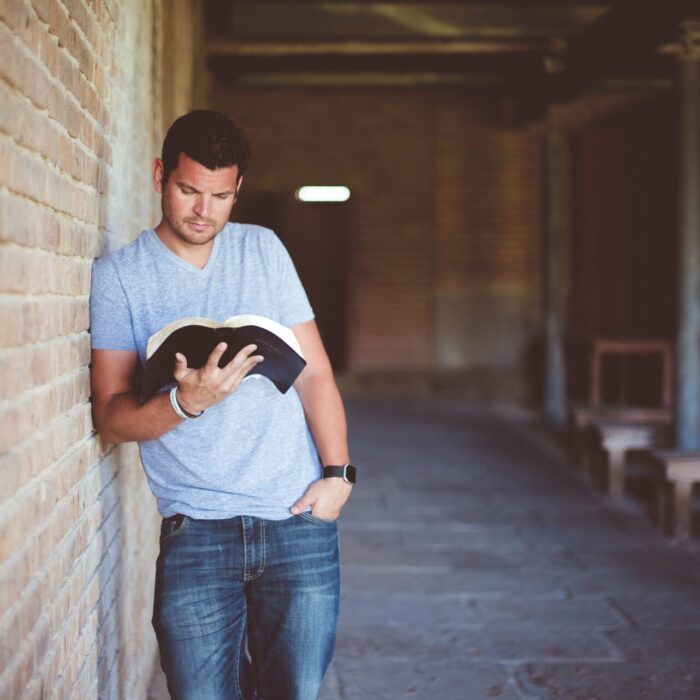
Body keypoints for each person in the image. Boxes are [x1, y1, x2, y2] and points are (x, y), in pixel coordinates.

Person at [89, 110, 355, 700]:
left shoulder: (263, 250)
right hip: (196, 531)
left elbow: (315, 375)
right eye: (188, 191)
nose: (202, 211)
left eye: (219, 196)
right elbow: (109, 414)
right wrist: (186, 405)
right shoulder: (120, 278)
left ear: (237, 191)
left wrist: (338, 475)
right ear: (160, 175)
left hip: (297, 519)